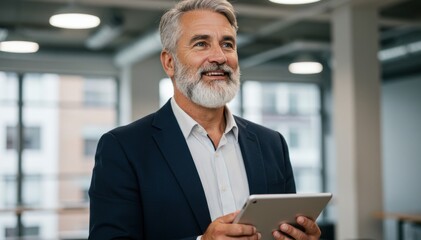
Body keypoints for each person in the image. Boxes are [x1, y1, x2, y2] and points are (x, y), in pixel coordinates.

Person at [88, 0, 322, 239]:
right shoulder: (124, 148)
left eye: (227, 44)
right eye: (201, 44)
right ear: (170, 63)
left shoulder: (272, 144)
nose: (219, 57)